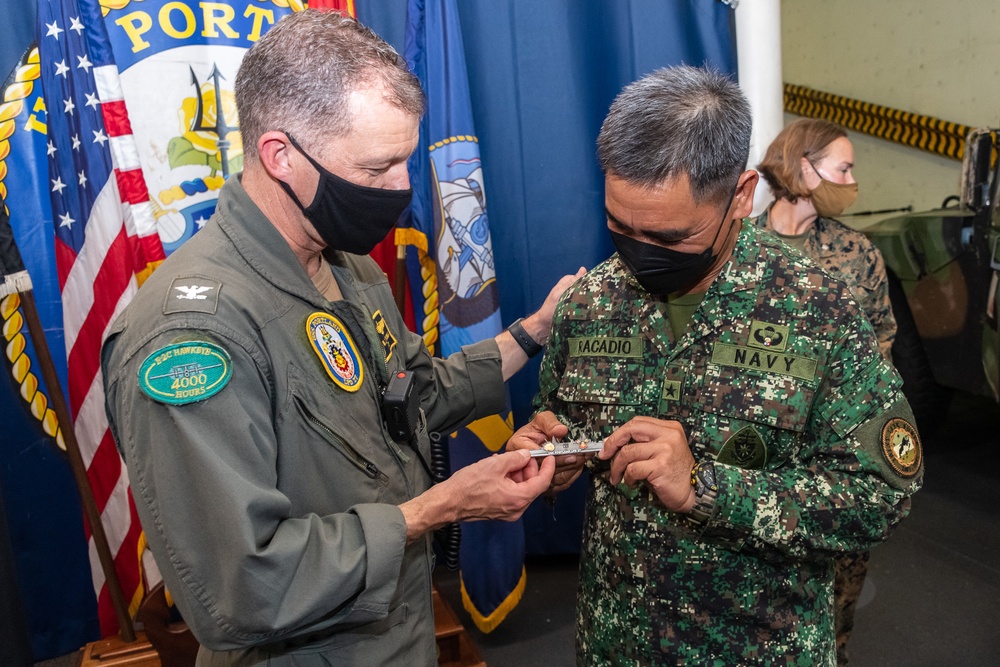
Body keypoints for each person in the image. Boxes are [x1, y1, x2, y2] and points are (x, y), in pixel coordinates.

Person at [100, 11, 573, 665]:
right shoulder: (193, 336)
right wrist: (436, 507)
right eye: (378, 167)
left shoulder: (342, 265)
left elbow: (411, 392)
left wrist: (534, 329)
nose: (404, 189)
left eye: (406, 159)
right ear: (281, 156)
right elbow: (243, 584)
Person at [509, 66, 923, 666]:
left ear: (742, 195)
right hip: (613, 645)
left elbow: (881, 493)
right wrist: (560, 457)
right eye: (619, 227)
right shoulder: (590, 301)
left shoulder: (819, 310)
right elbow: (565, 421)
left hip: (757, 650)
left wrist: (708, 487)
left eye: (669, 236)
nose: (638, 253)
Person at [755, 118, 896, 666]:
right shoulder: (737, 248)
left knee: (838, 598)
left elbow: (882, 341)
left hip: (835, 464)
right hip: (758, 464)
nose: (852, 179)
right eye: (844, 167)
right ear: (803, 166)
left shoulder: (857, 254)